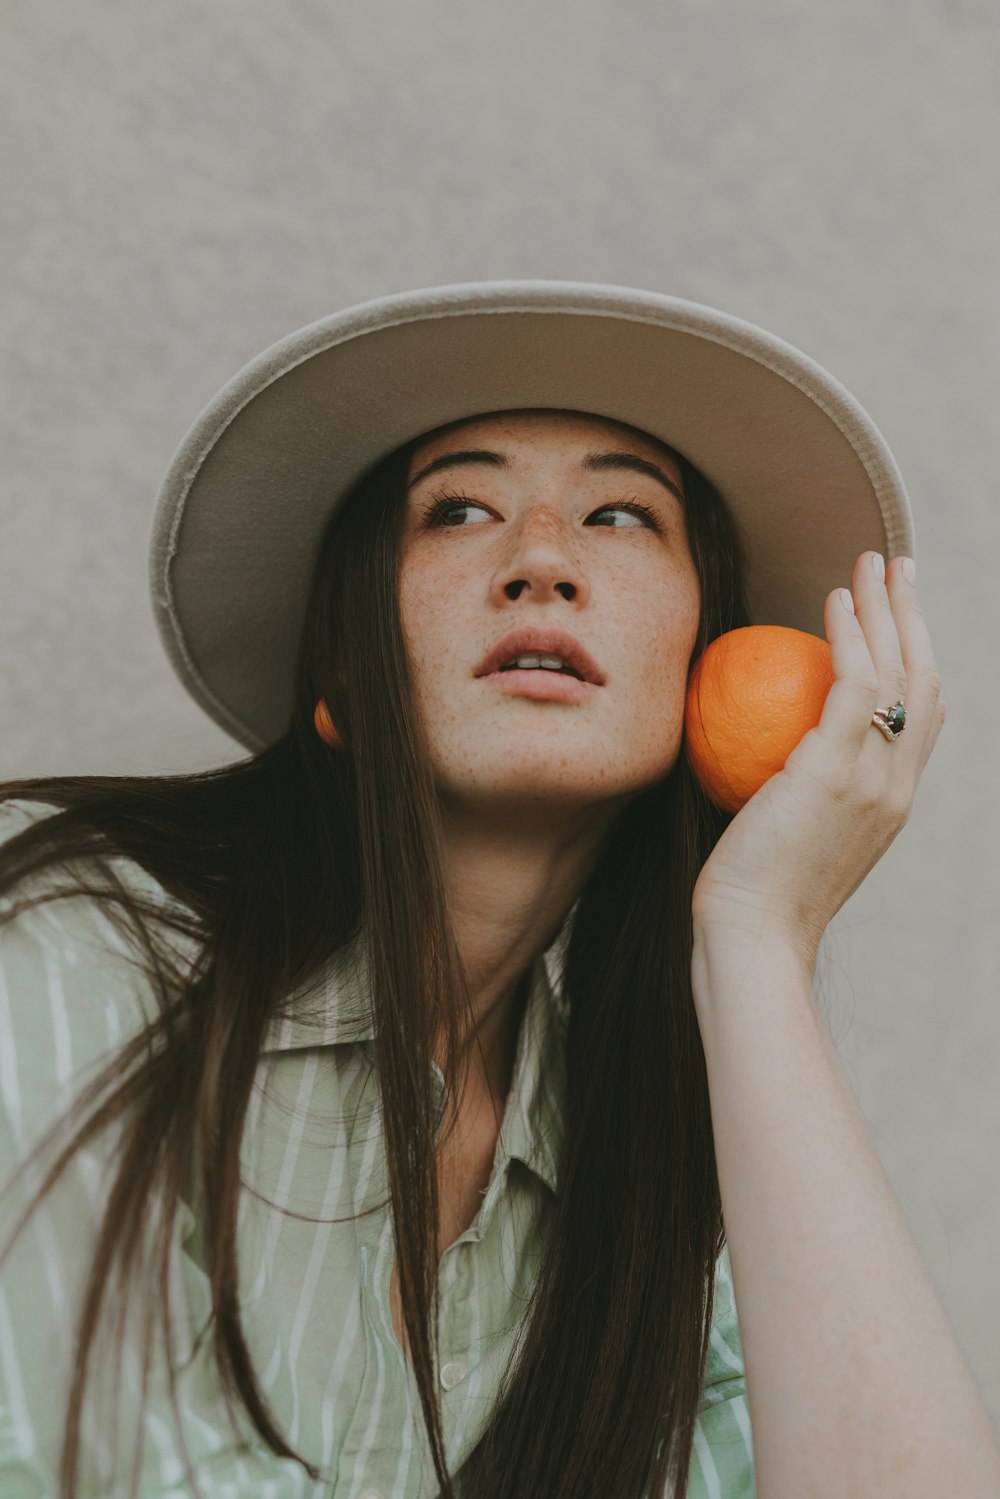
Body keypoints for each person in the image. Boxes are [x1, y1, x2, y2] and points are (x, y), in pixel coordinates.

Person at [0, 282, 996, 1499]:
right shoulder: (75, 948)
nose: (539, 561)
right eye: (458, 508)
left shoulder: (632, 1161)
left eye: (623, 515)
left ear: (709, 669)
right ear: (347, 667)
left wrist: (756, 941)